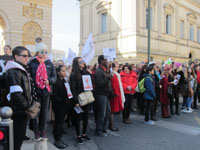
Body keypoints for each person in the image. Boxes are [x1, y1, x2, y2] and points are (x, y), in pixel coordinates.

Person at [28, 42, 57, 140]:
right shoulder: (32, 62)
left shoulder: (49, 63)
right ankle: (36, 131)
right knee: (35, 112)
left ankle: (43, 131)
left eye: (46, 51)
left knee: (44, 113)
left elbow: (54, 77)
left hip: (46, 92)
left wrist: (49, 81)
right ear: (37, 52)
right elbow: (29, 77)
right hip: (35, 92)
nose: (44, 53)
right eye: (42, 51)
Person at [5, 46, 32, 150]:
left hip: (21, 110)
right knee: (16, 138)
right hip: (18, 111)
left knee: (19, 137)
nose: (27, 58)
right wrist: (27, 107)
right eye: (24, 56)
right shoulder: (14, 71)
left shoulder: (21, 69)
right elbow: (16, 94)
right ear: (16, 56)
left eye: (28, 56)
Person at [70, 57, 92, 144]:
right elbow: (73, 88)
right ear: (77, 64)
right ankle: (78, 135)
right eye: (81, 61)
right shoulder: (74, 74)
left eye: (83, 61)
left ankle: (84, 133)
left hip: (86, 97)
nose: (83, 62)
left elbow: (89, 85)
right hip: (78, 98)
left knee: (86, 116)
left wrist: (90, 74)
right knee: (78, 118)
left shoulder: (86, 72)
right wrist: (75, 101)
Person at [52, 65, 72, 149]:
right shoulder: (57, 82)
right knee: (58, 123)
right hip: (59, 106)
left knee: (61, 123)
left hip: (64, 105)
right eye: (62, 71)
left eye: (65, 70)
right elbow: (54, 96)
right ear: (58, 72)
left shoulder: (64, 80)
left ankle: (59, 138)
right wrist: (63, 100)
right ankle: (57, 140)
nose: (64, 72)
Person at [94, 55, 112, 137]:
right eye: (106, 60)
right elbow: (99, 84)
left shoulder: (104, 71)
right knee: (102, 113)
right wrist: (108, 78)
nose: (107, 61)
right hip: (101, 94)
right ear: (101, 61)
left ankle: (104, 129)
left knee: (107, 112)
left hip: (106, 94)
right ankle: (99, 130)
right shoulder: (99, 71)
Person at [109, 62, 124, 131]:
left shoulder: (116, 74)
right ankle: (111, 126)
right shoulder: (113, 74)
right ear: (114, 67)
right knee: (112, 110)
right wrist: (116, 93)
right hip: (114, 95)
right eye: (117, 66)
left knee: (113, 111)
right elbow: (113, 85)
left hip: (116, 94)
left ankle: (111, 125)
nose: (118, 68)